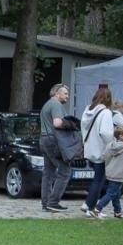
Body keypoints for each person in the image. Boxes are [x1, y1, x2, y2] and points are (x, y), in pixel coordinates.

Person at [80, 85, 123, 218]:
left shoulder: (87, 110)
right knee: (101, 180)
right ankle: (90, 206)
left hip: (90, 149)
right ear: (108, 99)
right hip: (101, 150)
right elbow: (105, 133)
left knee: (100, 179)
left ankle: (109, 209)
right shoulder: (104, 112)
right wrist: (112, 143)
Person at [39, 83, 74, 212]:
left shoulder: (46, 104)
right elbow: (57, 123)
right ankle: (53, 202)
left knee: (48, 173)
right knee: (65, 172)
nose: (67, 96)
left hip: (43, 139)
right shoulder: (56, 104)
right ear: (56, 94)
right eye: (65, 93)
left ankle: (46, 204)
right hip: (53, 140)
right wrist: (71, 123)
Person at [94, 124, 123, 219]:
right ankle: (97, 209)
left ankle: (118, 211)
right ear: (121, 136)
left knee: (116, 193)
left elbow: (104, 157)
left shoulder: (109, 145)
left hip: (110, 172)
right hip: (120, 174)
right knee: (111, 193)